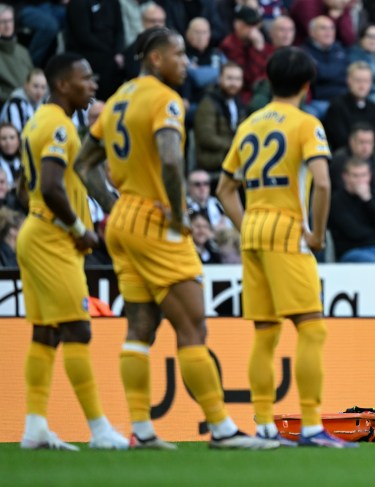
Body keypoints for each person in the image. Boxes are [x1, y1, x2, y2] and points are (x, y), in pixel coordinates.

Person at [74, 27, 276, 450]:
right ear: (154, 58)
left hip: (124, 219)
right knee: (193, 327)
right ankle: (221, 429)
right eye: (179, 54)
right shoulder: (163, 99)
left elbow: (83, 163)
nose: (186, 61)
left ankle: (143, 430)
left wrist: (112, 204)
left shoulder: (119, 99)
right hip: (156, 219)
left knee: (140, 327)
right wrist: (180, 213)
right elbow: (169, 158)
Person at [215, 46, 354, 448]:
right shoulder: (305, 123)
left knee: (264, 331)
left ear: (269, 81)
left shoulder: (249, 124)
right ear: (308, 86)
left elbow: (225, 188)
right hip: (288, 229)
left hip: (254, 231)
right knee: (311, 328)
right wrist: (316, 234)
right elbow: (323, 182)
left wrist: (248, 226)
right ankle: (311, 425)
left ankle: (261, 424)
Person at [17, 53, 127, 451]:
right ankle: (99, 429)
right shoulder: (59, 127)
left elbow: (24, 185)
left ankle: (34, 428)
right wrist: (80, 228)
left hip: (37, 232)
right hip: (52, 238)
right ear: (63, 85)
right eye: (86, 79)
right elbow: (49, 185)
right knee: (78, 327)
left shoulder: (39, 121)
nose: (93, 85)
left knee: (45, 332)